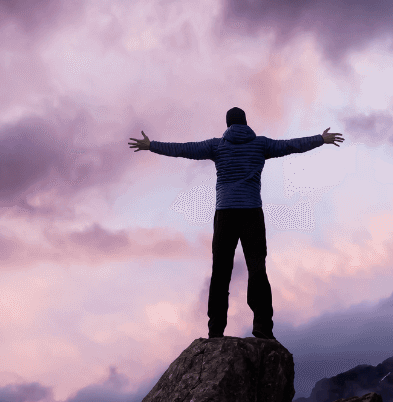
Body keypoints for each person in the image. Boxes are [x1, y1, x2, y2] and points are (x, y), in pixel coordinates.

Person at [129, 107, 343, 340]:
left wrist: (152, 145)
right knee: (257, 269)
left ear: (228, 125)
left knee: (221, 272)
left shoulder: (217, 145)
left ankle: (215, 330)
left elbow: (184, 149)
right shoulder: (260, 144)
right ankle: (263, 327)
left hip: (225, 214)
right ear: (245, 123)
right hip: (251, 212)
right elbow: (290, 145)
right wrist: (320, 139)